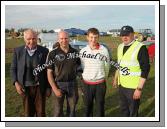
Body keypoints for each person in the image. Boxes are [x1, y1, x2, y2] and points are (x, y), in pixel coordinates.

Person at [10, 29, 51, 117]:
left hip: (40, 87)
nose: (31, 41)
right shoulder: (18, 51)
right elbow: (13, 68)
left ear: (37, 38)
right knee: (28, 113)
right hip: (25, 87)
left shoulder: (44, 51)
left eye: (34, 38)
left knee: (41, 113)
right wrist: (16, 83)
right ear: (24, 39)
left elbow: (48, 71)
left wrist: (48, 87)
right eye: (29, 39)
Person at [113, 25, 150, 117]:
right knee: (124, 109)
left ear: (133, 35)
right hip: (122, 85)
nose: (124, 37)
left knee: (133, 112)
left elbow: (145, 70)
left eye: (127, 35)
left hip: (133, 87)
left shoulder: (141, 48)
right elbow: (119, 65)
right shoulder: (120, 47)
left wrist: (139, 89)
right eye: (122, 35)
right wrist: (115, 78)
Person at [47, 31, 80, 117]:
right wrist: (54, 89)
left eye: (66, 38)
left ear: (69, 39)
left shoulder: (75, 52)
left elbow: (79, 69)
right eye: (61, 38)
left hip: (72, 84)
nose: (64, 40)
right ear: (58, 39)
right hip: (58, 85)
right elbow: (49, 73)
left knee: (72, 111)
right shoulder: (53, 54)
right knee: (57, 111)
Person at [79, 28, 110, 117]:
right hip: (87, 84)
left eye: (95, 37)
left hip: (100, 84)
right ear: (87, 37)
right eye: (91, 37)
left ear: (98, 38)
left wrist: (103, 77)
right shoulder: (83, 51)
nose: (93, 40)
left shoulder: (104, 50)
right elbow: (82, 66)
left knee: (100, 107)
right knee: (88, 107)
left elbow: (107, 66)